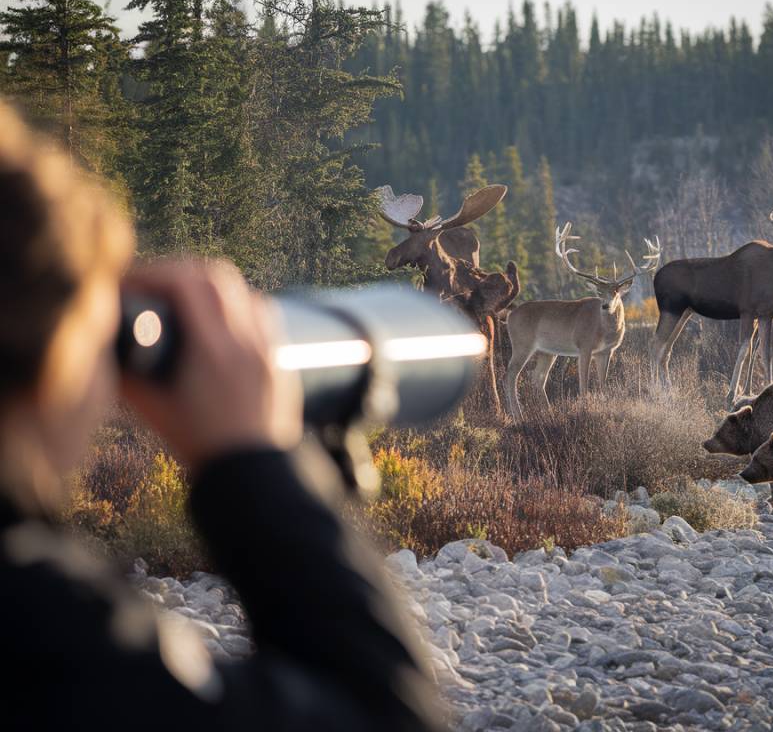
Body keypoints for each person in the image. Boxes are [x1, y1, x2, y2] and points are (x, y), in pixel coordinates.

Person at [0, 101, 445, 730]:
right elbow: (375, 714)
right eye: (100, 341)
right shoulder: (37, 632)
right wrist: (255, 463)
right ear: (49, 369)